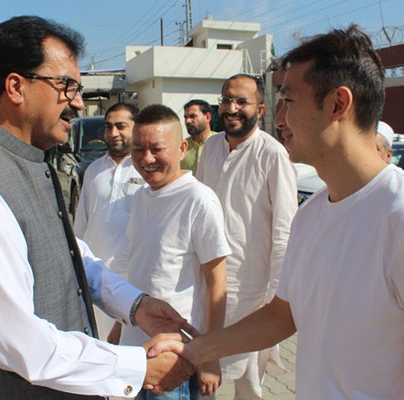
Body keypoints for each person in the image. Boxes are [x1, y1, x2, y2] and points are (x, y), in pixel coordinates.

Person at [150, 25, 404, 400]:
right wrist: (196, 350)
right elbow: (282, 316)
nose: (279, 119)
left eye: (289, 101)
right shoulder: (311, 217)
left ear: (338, 104)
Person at [0, 16, 194, 399]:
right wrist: (135, 366)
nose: (77, 102)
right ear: (16, 86)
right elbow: (14, 339)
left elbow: (66, 253)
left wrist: (135, 305)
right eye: (65, 86)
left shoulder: (31, 161)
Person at [195, 74, 298, 399]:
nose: (232, 108)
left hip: (252, 294)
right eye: (227, 100)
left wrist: (273, 298)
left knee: (247, 385)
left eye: (242, 101)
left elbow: (285, 229)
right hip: (208, 283)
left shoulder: (272, 154)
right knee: (203, 371)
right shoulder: (211, 147)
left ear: (260, 108)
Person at [122, 104, 230, 399]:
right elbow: (139, 268)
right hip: (134, 354)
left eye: (157, 149)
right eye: (138, 149)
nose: (147, 159)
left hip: (176, 358)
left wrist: (210, 355)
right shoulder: (141, 196)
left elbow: (218, 284)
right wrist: (119, 330)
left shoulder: (199, 200)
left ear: (182, 148)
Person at [74, 102, 145, 344]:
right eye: (108, 127)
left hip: (132, 280)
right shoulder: (93, 170)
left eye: (120, 126)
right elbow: (81, 224)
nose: (113, 133)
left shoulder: (146, 170)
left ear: (136, 128)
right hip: (96, 278)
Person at [181, 99, 216, 175]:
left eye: (192, 116)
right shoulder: (181, 148)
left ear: (207, 117)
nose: (187, 121)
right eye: (185, 117)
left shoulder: (222, 143)